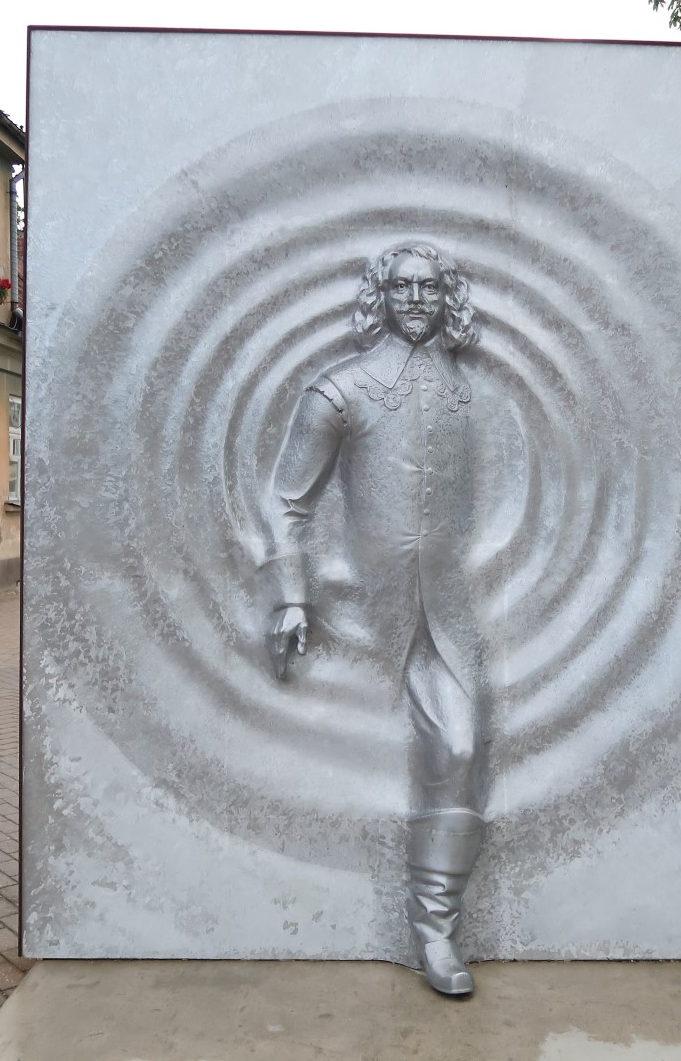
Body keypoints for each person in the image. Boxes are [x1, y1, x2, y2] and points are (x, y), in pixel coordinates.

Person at [263, 242, 487, 995]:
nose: (416, 299)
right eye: (402, 287)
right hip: (363, 607)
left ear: (446, 297)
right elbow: (288, 501)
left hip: (447, 610)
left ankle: (436, 931)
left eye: (430, 287)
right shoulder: (341, 389)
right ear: (380, 298)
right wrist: (291, 595)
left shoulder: (468, 391)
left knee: (459, 746)